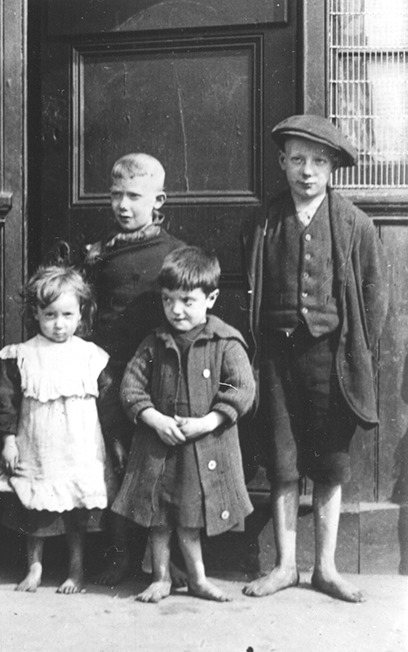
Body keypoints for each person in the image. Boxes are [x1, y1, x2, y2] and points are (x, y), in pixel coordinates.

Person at [241, 114, 388, 602]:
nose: (307, 171)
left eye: (319, 162)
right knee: (283, 462)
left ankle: (325, 567)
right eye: (298, 160)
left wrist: (357, 351)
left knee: (329, 464)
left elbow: (374, 296)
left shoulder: (354, 224)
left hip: (332, 358)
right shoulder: (265, 221)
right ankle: (285, 566)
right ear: (283, 163)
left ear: (333, 170)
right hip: (278, 360)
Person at [112, 246, 255, 602]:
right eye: (167, 300)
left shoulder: (224, 342)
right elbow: (130, 387)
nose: (175, 310)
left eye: (187, 301)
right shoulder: (154, 342)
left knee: (189, 519)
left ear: (212, 298)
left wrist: (209, 421)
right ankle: (160, 577)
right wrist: (154, 418)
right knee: (158, 517)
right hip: (157, 447)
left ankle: (197, 577)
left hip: (198, 448)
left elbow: (241, 387)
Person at [83, 153, 185, 584]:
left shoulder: (173, 254)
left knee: (158, 465)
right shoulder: (99, 253)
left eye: (134, 197)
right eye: (115, 195)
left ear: (158, 200)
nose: (122, 206)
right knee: (116, 459)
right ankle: (119, 551)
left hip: (156, 376)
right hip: (107, 375)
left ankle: (169, 557)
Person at [0, 265, 110, 594]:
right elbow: (6, 402)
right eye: (50, 314)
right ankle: (35, 568)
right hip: (39, 445)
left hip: (79, 447)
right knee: (36, 509)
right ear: (36, 314)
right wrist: (8, 442)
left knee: (76, 511)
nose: (59, 324)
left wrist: (114, 443)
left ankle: (76, 570)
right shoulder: (23, 356)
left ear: (80, 314)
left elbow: (108, 403)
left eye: (67, 314)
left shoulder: (91, 356)